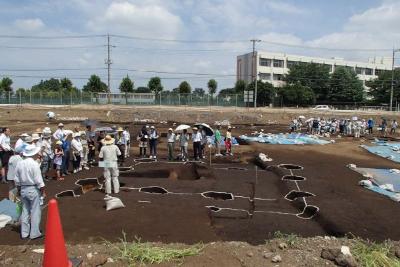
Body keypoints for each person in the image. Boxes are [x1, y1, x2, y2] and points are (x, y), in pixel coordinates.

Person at [14, 144, 46, 240]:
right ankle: (34, 233)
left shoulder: (20, 163)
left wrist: (19, 190)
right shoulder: (34, 164)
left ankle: (24, 233)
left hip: (23, 188)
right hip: (33, 189)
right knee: (35, 211)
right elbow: (39, 180)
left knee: (25, 211)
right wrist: (43, 191)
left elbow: (16, 179)